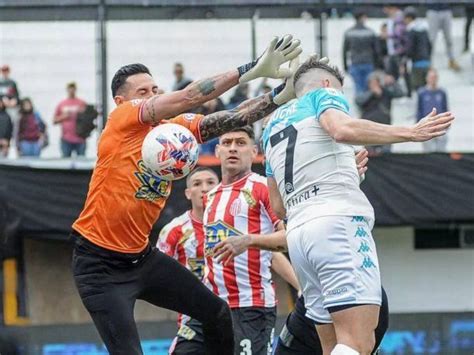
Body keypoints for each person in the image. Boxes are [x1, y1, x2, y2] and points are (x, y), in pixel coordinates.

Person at [70, 35, 302, 355]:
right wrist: (250, 70)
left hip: (141, 259)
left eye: (155, 89)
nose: (153, 95)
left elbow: (231, 119)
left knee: (216, 313)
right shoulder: (122, 121)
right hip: (98, 267)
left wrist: (279, 96)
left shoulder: (175, 129)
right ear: (123, 102)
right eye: (143, 92)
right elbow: (190, 95)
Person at [260, 55, 453, 354]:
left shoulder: (270, 128)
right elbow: (342, 130)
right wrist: (410, 132)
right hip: (337, 223)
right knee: (359, 342)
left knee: (333, 345)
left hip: (299, 233)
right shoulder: (323, 94)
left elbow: (279, 206)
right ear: (327, 84)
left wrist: (345, 172)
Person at [213, 149, 389, 355]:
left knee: (353, 345)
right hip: (312, 288)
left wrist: (250, 240)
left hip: (348, 279)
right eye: (226, 142)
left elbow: (341, 130)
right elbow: (277, 246)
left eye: (240, 142)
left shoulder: (270, 186)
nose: (233, 148)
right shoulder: (284, 186)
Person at [160, 165, 299, 355]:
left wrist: (299, 285)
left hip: (244, 305)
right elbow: (160, 271)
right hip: (197, 311)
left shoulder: (233, 221)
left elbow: (272, 254)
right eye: (197, 183)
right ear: (187, 192)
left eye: (210, 183)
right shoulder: (174, 231)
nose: (204, 188)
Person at [355, 72, 404, 154]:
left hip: (385, 128)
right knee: (369, 153)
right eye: (372, 83)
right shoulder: (365, 93)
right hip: (369, 129)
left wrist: (393, 82)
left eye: (376, 83)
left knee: (386, 153)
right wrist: (372, 93)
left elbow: (400, 93)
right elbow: (358, 101)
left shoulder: (386, 92)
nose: (375, 85)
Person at [343, 10, 377, 94]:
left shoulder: (349, 32)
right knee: (368, 86)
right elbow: (376, 50)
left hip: (355, 63)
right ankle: (367, 105)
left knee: (358, 87)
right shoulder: (370, 32)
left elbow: (344, 51)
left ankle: (360, 103)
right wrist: (377, 64)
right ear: (363, 18)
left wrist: (345, 66)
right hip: (368, 62)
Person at [417, 68, 449, 153]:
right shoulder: (422, 93)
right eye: (431, 77)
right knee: (428, 153)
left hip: (440, 126)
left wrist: (446, 125)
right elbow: (419, 110)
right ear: (427, 78)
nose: (433, 79)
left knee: (441, 153)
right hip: (427, 126)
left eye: (435, 77)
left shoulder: (442, 92)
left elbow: (445, 108)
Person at [53, 82, 87, 157]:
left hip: (80, 139)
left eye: (73, 89)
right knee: (65, 162)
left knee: (81, 162)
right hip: (66, 139)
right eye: (70, 89)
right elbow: (54, 120)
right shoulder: (62, 104)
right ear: (67, 90)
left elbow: (89, 118)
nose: (71, 91)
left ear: (75, 90)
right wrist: (63, 117)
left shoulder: (82, 103)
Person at [404, 7, 432, 91]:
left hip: (416, 63)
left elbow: (410, 47)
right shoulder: (424, 29)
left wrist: (407, 58)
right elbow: (429, 45)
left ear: (409, 18)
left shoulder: (411, 30)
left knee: (418, 88)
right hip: (426, 61)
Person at [426, 4, 461, 71]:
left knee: (449, 38)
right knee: (431, 39)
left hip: (446, 9)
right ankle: (428, 62)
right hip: (433, 10)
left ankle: (451, 60)